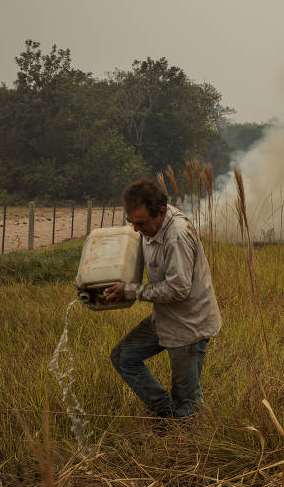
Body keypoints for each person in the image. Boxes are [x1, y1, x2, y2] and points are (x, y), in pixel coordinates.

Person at [104, 178, 221, 418]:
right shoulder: (150, 227)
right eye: (131, 223)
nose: (136, 230)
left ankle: (193, 444)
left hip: (189, 326)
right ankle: (166, 413)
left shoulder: (176, 235)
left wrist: (132, 291)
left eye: (141, 223)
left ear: (160, 212)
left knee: (188, 402)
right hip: (165, 318)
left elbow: (179, 289)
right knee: (124, 357)